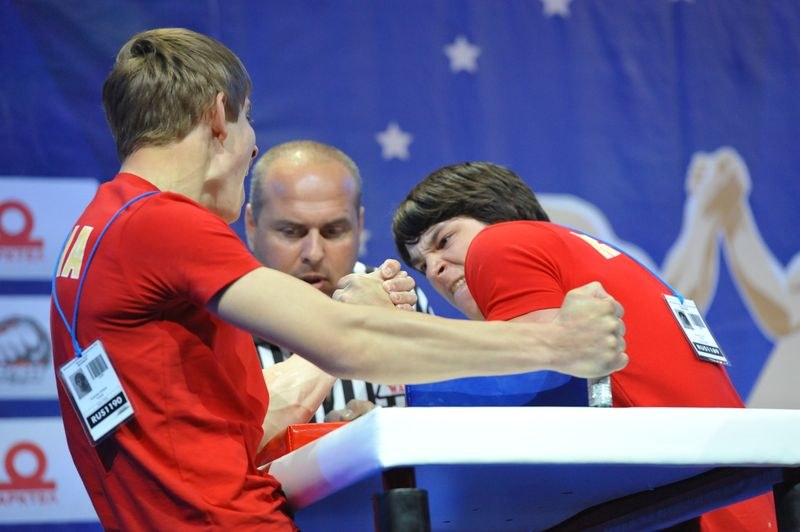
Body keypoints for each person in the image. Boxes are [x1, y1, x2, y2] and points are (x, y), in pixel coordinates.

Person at [49, 28, 627, 530]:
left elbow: (222, 425)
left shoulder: (97, 230)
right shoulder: (163, 223)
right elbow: (348, 343)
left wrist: (356, 327)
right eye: (250, 120)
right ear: (219, 116)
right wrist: (555, 341)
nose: (253, 143)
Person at [392, 161, 777, 531]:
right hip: (732, 505)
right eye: (422, 267)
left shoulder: (500, 242)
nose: (436, 269)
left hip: (689, 511)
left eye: (444, 240)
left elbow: (534, 391)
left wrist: (397, 395)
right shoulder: (593, 255)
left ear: (499, 213)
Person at [245, 140, 433, 422]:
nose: (314, 253)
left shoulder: (399, 298)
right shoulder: (214, 319)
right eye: (291, 231)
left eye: (333, 231)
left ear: (359, 225)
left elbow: (436, 428)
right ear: (252, 225)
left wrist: (380, 434)